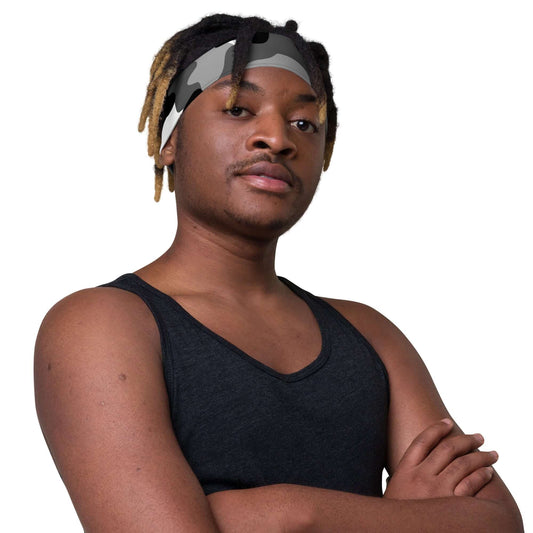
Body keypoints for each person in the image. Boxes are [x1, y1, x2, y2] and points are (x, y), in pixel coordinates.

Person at [34, 14, 523, 532]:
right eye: (238, 109)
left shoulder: (369, 335)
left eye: (304, 123)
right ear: (170, 138)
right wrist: (398, 518)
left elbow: (498, 523)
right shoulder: (101, 325)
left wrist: (286, 513)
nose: (276, 138)